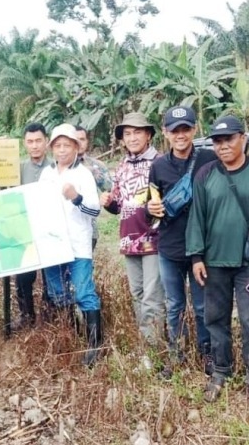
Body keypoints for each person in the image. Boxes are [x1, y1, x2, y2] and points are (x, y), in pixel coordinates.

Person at [186, 115, 249, 407]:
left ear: (244, 138)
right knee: (215, 319)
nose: (223, 146)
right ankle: (221, 369)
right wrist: (196, 258)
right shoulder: (205, 174)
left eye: (229, 139)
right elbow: (197, 219)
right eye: (217, 141)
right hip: (214, 263)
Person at [147, 106, 215, 375]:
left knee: (201, 306)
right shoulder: (158, 166)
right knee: (174, 305)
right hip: (169, 248)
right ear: (165, 133)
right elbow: (150, 203)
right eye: (174, 130)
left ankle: (206, 353)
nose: (180, 135)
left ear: (195, 130)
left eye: (185, 129)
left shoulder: (209, 160)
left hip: (202, 248)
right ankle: (176, 355)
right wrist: (149, 210)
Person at [100, 112, 165, 353]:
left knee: (152, 296)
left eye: (138, 132)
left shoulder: (160, 162)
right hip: (129, 240)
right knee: (137, 294)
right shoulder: (122, 165)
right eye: (127, 133)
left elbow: (169, 200)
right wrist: (108, 202)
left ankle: (155, 351)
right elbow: (119, 205)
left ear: (148, 135)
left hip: (154, 240)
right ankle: (147, 345)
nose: (132, 137)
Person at [39, 123, 103, 366]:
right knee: (57, 293)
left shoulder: (83, 174)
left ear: (76, 147)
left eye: (68, 145)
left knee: (84, 291)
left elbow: (94, 210)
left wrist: (75, 197)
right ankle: (72, 336)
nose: (62, 150)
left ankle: (95, 344)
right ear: (52, 148)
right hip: (51, 246)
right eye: (58, 145)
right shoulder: (47, 174)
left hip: (78, 245)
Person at [13, 123, 53, 329]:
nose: (35, 146)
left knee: (51, 278)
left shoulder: (55, 168)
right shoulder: (17, 170)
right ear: (24, 144)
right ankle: (26, 316)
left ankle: (49, 318)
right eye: (30, 141)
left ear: (46, 142)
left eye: (39, 141)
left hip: (50, 233)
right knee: (23, 279)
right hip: (25, 234)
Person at [74, 125, 112, 250]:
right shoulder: (59, 165)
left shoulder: (96, 165)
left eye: (82, 139)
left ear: (87, 141)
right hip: (66, 229)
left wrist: (95, 173)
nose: (79, 143)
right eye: (76, 139)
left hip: (89, 227)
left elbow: (110, 188)